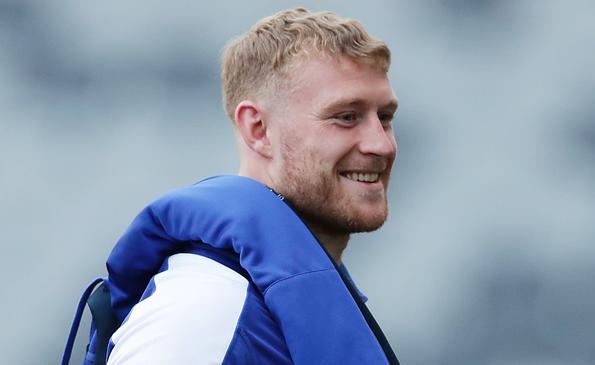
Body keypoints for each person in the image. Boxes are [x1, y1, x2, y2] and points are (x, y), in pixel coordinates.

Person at [104, 7, 399, 364]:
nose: (381, 144)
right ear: (258, 129)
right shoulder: (202, 314)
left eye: (384, 118)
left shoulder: (269, 308)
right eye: (346, 117)